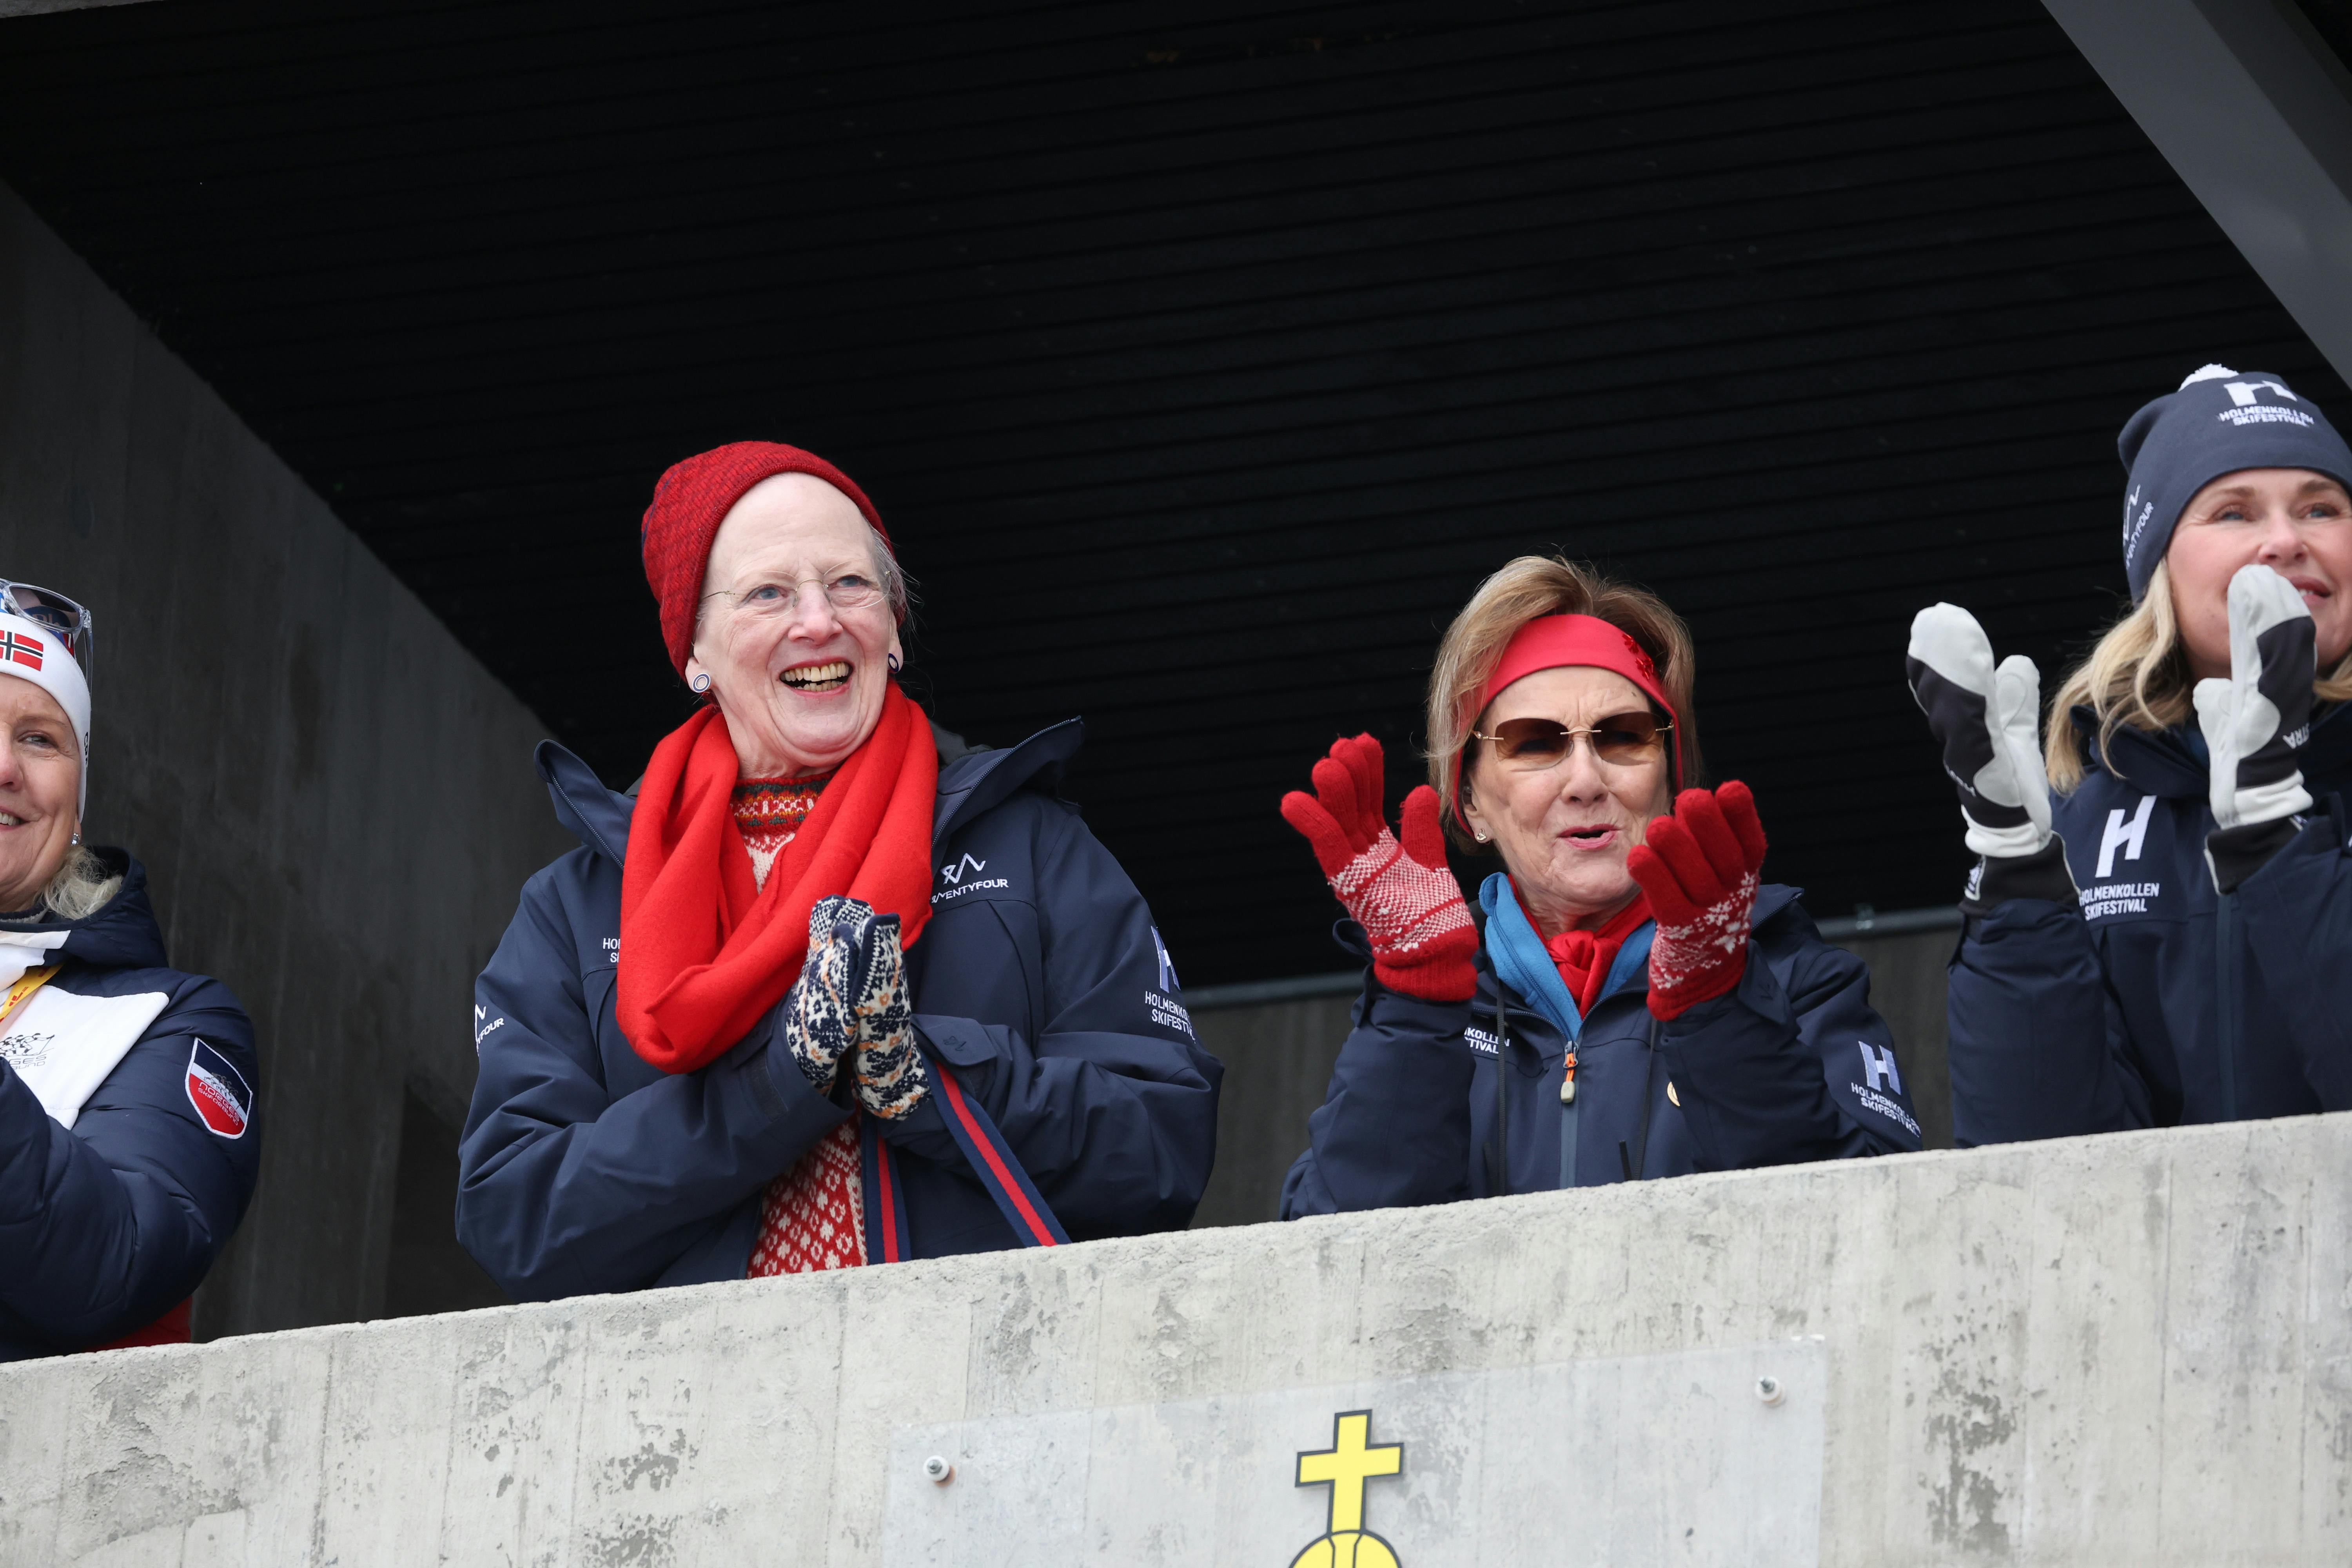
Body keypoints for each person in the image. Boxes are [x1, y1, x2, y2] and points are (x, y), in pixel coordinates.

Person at [459, 442, 1221, 1294]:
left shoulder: (1032, 847)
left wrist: (932, 1077)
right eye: (768, 593)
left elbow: (1164, 1149)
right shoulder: (576, 907)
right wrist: (771, 1087)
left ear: (892, 624)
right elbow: (514, 1218)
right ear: (695, 652)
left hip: (973, 1365)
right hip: (697, 1380)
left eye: (850, 584)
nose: (818, 621)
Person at [1278, 556, 1921, 1216]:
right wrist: (1417, 1005)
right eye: (1535, 743)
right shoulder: (1424, 1004)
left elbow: (1869, 1224)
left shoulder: (1792, 976)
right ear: (1470, 801)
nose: (1586, 781)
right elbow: (1327, 1251)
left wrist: (1718, 1004)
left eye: (1623, 737)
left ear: (1670, 776)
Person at [1913, 365, 2352, 1142]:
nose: (2288, 540)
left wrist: (2279, 848)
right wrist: (2016, 885)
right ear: (2161, 574)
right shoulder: (2086, 819)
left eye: (2322, 508)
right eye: (2233, 511)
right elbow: (2042, 1163)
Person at [0, 583, 261, 1359]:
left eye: (39, 739)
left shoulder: (171, 1021)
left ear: (78, 800)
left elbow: (115, 1266)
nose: (4, 766)